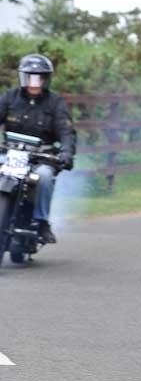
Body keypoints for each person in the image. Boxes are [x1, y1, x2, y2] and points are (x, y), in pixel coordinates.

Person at [0, 54, 76, 244]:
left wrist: (66, 152)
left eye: (39, 78)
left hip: (41, 157)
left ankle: (41, 221)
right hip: (9, 154)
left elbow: (66, 131)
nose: (34, 83)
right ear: (22, 78)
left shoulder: (56, 103)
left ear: (46, 79)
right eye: (30, 77)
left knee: (43, 177)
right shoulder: (10, 97)